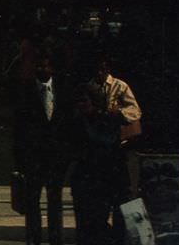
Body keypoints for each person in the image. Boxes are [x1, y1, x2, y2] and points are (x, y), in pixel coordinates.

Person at [12, 52, 73, 245]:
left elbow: (67, 125)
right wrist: (20, 160)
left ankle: (56, 238)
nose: (42, 70)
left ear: (52, 68)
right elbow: (18, 130)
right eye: (38, 66)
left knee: (55, 202)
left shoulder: (62, 90)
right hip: (34, 158)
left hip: (56, 157)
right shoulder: (25, 92)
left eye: (45, 66)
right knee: (32, 202)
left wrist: (67, 155)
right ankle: (34, 238)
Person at [88, 55, 142, 243]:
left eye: (103, 69)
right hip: (99, 144)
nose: (100, 73)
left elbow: (135, 110)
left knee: (122, 192)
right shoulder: (89, 87)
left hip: (118, 144)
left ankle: (120, 233)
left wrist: (118, 113)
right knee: (102, 196)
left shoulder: (119, 86)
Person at [70, 83, 122, 245]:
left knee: (98, 223)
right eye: (79, 101)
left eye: (85, 101)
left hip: (102, 179)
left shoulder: (106, 121)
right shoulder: (77, 122)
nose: (82, 104)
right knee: (85, 226)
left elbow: (109, 145)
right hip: (84, 180)